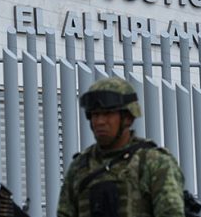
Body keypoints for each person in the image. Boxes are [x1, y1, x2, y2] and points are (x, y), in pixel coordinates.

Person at [57, 77, 185, 217]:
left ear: (128, 118)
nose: (99, 121)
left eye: (107, 114)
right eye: (95, 114)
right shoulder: (79, 167)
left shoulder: (153, 162)